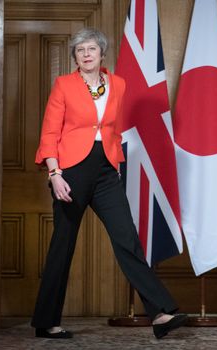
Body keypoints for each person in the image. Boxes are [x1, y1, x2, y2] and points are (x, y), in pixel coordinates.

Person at [31, 27, 187, 339]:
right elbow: (50, 132)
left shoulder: (118, 83)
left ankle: (160, 313)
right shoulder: (63, 85)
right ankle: (46, 322)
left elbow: (111, 128)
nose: (86, 54)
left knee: (127, 237)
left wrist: (113, 163)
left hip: (105, 171)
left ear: (102, 53)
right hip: (70, 172)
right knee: (63, 245)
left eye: (91, 49)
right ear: (75, 56)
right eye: (80, 50)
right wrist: (54, 173)